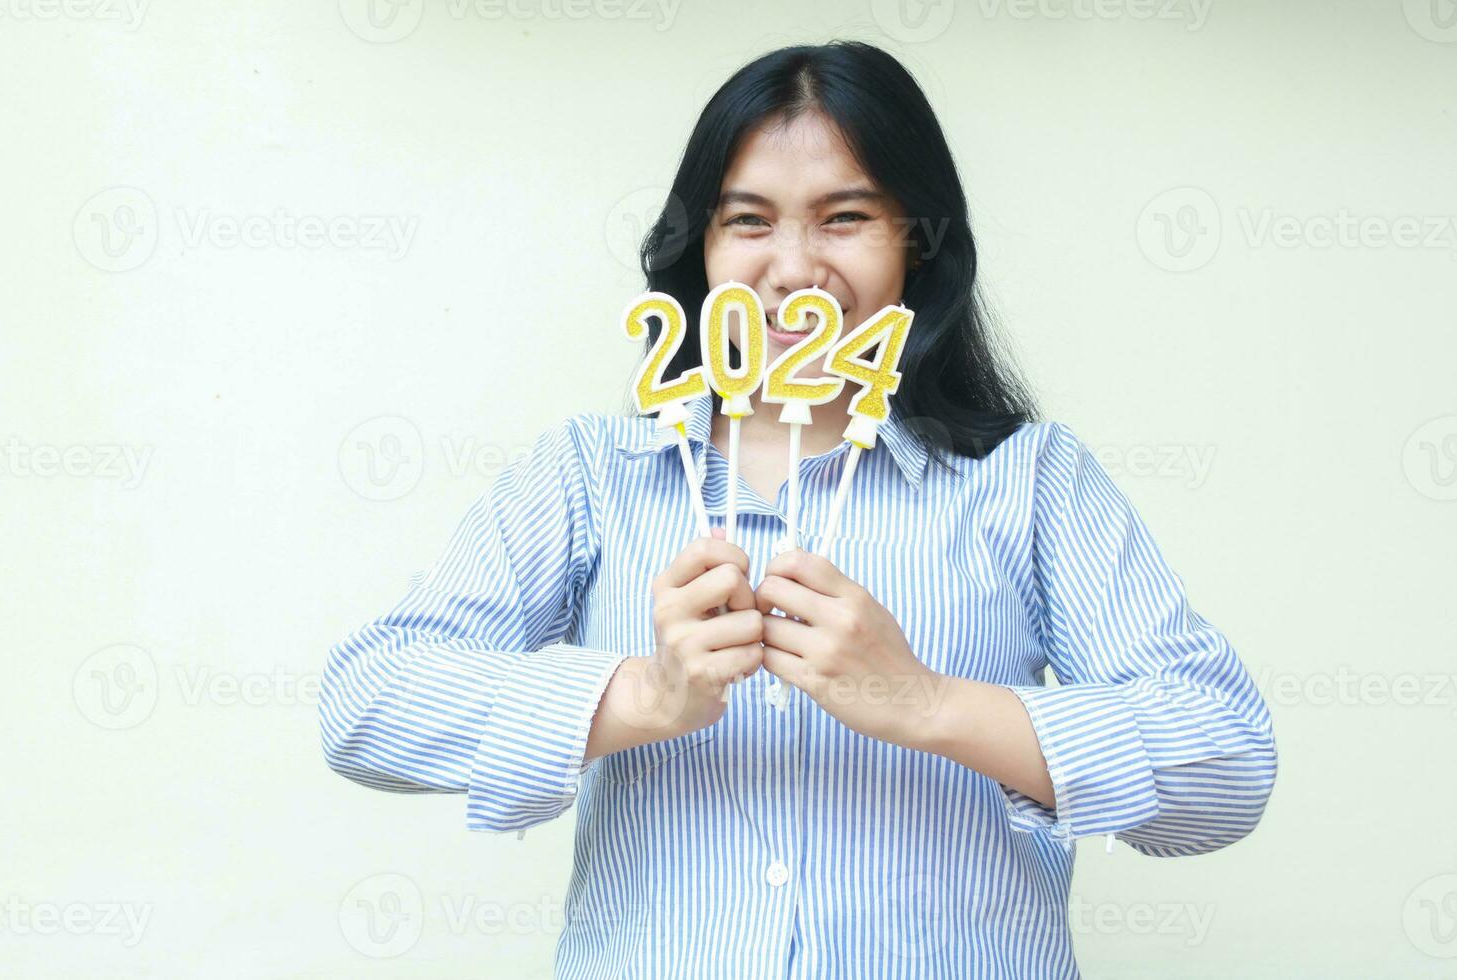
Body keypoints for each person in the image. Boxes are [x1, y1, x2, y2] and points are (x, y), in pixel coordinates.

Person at [319, 40, 1277, 979]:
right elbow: (366, 703)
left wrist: (930, 705)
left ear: (916, 241)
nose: (792, 267)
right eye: (748, 220)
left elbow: (1228, 765)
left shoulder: (1030, 483)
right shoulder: (590, 475)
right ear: (700, 245)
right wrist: (643, 696)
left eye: (844, 217)